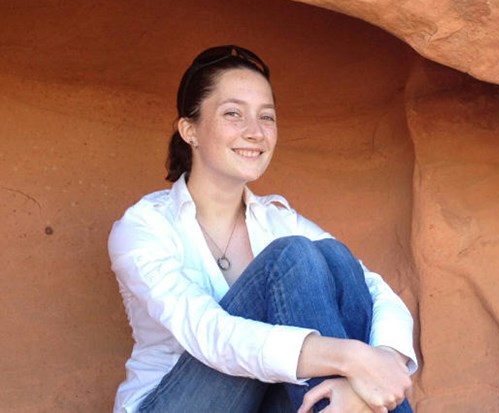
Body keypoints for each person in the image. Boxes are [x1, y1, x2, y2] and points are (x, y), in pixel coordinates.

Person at [108, 45, 418, 413]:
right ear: (189, 129)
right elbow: (213, 337)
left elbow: (376, 291)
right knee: (293, 255)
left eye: (266, 117)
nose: (255, 132)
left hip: (268, 403)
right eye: (233, 114)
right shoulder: (145, 227)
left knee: (334, 258)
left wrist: (381, 359)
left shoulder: (277, 219)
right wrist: (350, 358)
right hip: (174, 404)